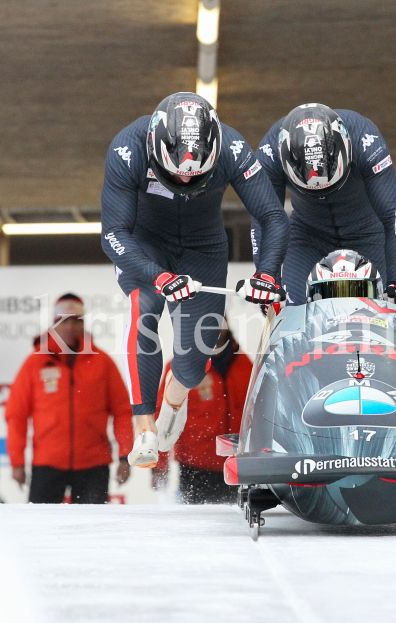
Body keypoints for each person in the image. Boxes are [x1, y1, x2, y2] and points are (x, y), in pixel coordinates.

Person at [100, 92, 290, 470]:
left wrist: (266, 273)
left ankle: (175, 394)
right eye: (177, 170)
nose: (186, 176)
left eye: (195, 171)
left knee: (193, 361)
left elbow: (273, 216)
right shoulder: (128, 147)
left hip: (203, 248)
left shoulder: (233, 148)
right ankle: (145, 426)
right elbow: (113, 234)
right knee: (147, 305)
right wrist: (161, 276)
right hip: (145, 244)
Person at [250, 104, 396, 304]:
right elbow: (265, 219)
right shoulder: (270, 151)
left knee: (385, 308)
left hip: (368, 234)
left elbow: (394, 215)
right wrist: (268, 278)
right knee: (292, 309)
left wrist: (395, 280)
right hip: (308, 237)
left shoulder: (364, 137)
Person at [5, 294, 134, 504]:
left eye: (76, 320)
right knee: (43, 530)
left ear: (83, 324)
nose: (69, 327)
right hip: (47, 463)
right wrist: (17, 462)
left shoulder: (102, 362)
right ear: (54, 325)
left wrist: (125, 457)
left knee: (92, 531)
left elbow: (122, 413)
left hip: (94, 464)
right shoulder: (35, 363)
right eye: (63, 321)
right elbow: (16, 415)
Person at [152, 324, 252, 504]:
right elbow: (163, 415)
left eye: (218, 326)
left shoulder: (246, 364)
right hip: (195, 468)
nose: (213, 333)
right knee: (196, 527)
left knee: (237, 527)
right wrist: (160, 463)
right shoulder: (180, 367)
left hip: (238, 466)